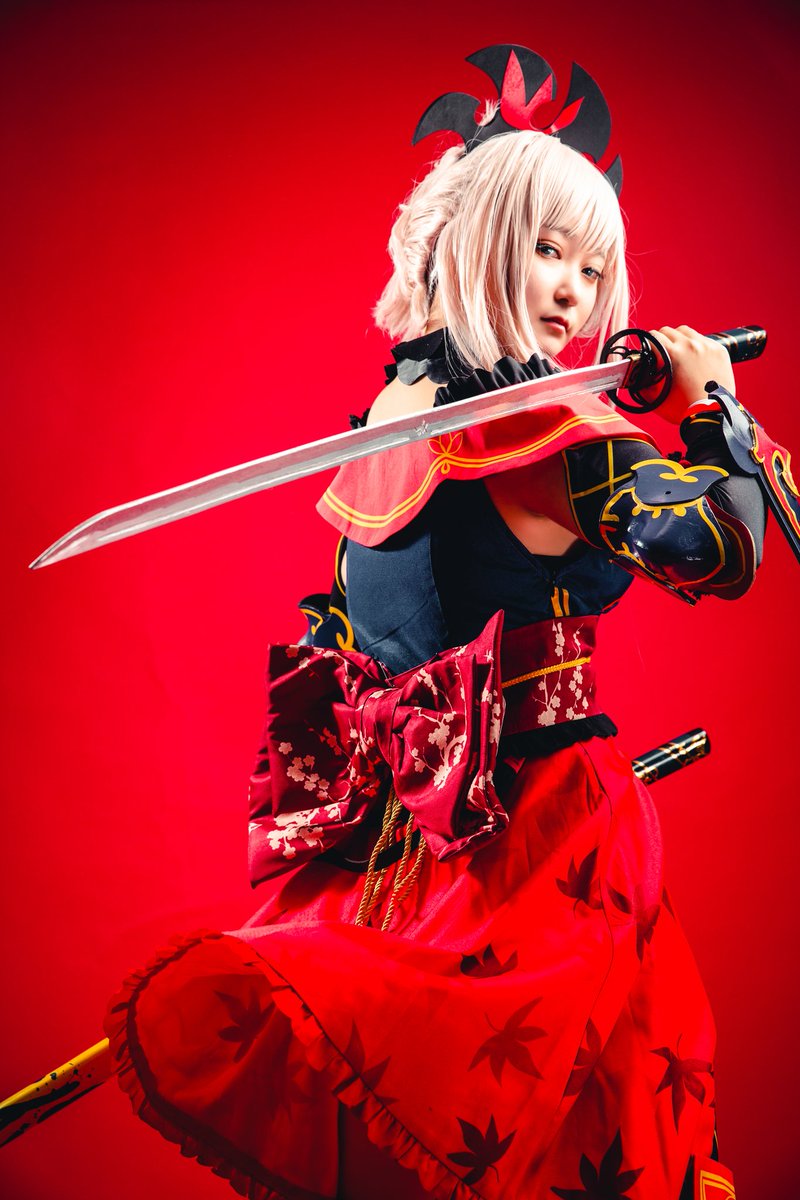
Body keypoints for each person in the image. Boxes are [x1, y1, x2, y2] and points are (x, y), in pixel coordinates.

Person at [104, 48, 761, 1200]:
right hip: (532, 840)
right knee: (560, 1139)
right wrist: (712, 406)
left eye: (592, 266)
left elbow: (347, 618)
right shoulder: (548, 433)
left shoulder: (383, 421)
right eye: (545, 249)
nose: (573, 289)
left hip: (405, 840)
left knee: (441, 1127)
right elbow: (720, 547)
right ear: (470, 242)